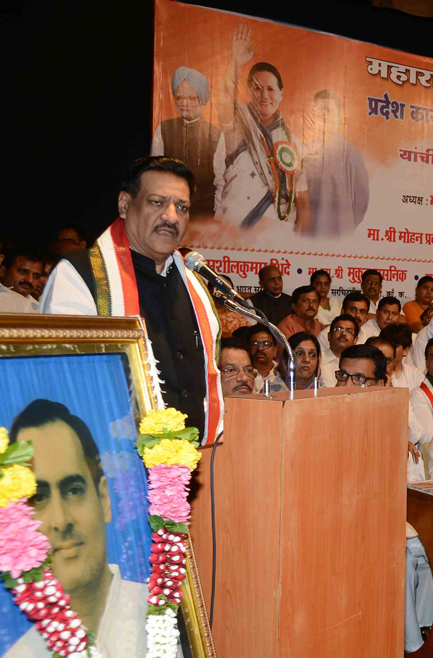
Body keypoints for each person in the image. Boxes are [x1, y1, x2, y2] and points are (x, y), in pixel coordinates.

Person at [3, 400, 197, 658]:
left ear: (104, 499)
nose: (61, 520)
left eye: (74, 490)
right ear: (14, 522)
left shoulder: (171, 625)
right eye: (38, 498)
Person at [40, 157, 223, 443]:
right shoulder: (80, 277)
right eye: (157, 202)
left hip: (186, 466)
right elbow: (61, 380)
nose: (171, 217)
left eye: (182, 207)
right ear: (124, 204)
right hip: (108, 460)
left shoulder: (194, 285)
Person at [213, 24, 310, 231]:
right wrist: (236, 63)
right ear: (249, 91)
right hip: (233, 235)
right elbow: (223, 101)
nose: (264, 95)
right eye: (257, 88)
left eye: (270, 89)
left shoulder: (295, 145)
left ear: (281, 94)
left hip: (276, 240)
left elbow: (303, 206)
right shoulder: (238, 127)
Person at [151, 66, 223, 217]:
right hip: (169, 214)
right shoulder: (163, 129)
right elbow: (155, 176)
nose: (185, 103)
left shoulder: (216, 135)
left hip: (204, 215)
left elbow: (221, 182)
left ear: (202, 99)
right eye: (180, 98)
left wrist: (218, 216)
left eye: (191, 98)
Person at [301, 90, 370, 237]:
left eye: (329, 111)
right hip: (308, 240)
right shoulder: (304, 152)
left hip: (338, 239)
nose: (324, 116)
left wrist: (344, 227)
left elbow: (361, 203)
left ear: (339, 116)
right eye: (319, 111)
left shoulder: (350, 154)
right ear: (313, 115)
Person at [318, 314, 359, 387]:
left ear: (355, 340)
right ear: (329, 336)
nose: (343, 334)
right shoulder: (318, 360)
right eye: (338, 329)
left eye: (349, 331)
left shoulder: (359, 364)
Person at [0, 248, 44, 312]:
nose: (30, 280)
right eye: (23, 272)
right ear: (3, 271)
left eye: (35, 276)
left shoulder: (39, 309)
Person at [245, 324, 280, 391]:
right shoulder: (241, 375)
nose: (260, 348)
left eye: (266, 344)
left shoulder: (284, 374)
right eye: (255, 344)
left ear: (275, 351)